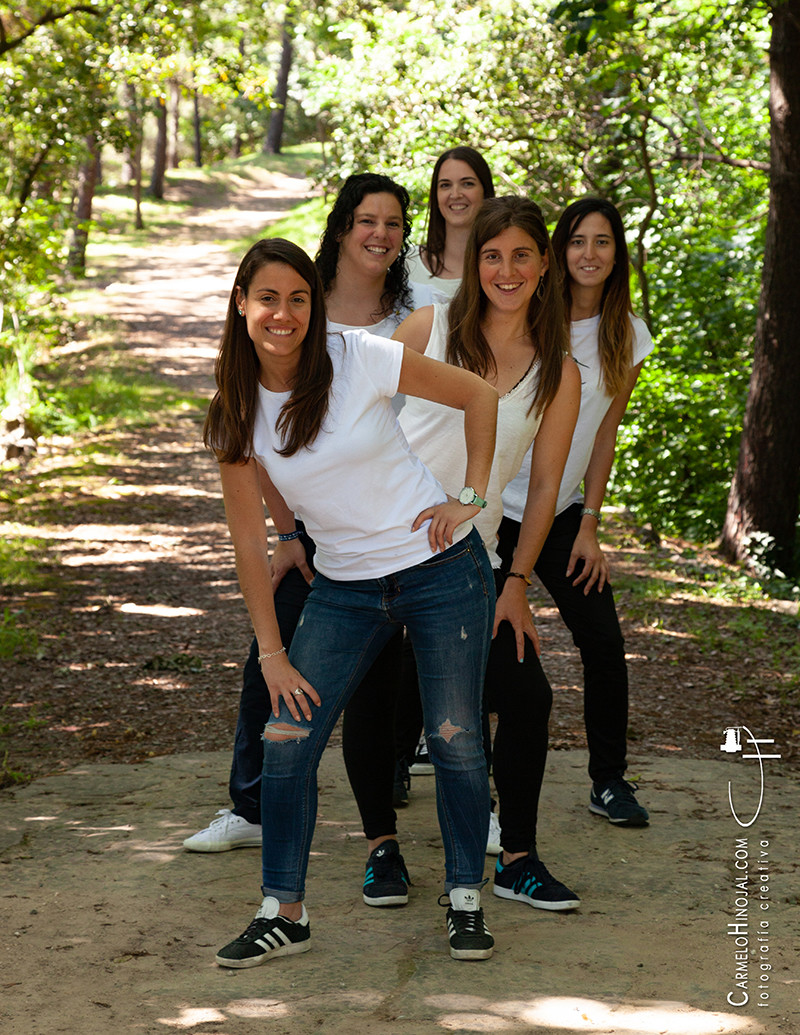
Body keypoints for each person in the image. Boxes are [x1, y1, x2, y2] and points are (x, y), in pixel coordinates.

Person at [205, 236, 501, 966]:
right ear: (241, 303)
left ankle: (466, 898)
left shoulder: (355, 355)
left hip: (442, 573)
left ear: (314, 303)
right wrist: (272, 654)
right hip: (343, 588)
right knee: (287, 736)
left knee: (457, 739)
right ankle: (285, 911)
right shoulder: (236, 410)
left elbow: (479, 395)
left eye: (298, 298)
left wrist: (469, 496)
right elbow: (250, 543)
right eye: (268, 298)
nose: (284, 313)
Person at [341, 196, 583, 913]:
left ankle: (517, 858)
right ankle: (381, 850)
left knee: (525, 696)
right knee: (377, 698)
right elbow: (364, 424)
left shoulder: (557, 372)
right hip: (380, 543)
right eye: (491, 255)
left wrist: (516, 583)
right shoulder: (432, 326)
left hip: (470, 559)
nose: (505, 270)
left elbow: (542, 488)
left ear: (543, 264)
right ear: (473, 264)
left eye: (520, 255)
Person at [183, 174, 417, 853]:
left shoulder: (416, 310)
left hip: (394, 512)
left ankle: (398, 809)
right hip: (312, 515)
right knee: (273, 649)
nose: (379, 233)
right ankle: (251, 804)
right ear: (341, 226)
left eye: (394, 223)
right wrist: (287, 529)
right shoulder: (295, 297)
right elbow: (261, 435)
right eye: (366, 219)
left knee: (392, 671)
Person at [500, 196, 655, 827]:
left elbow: (605, 434)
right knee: (484, 647)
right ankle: (428, 759)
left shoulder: (630, 335)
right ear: (559, 251)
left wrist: (590, 521)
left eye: (603, 242)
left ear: (617, 255)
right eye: (578, 241)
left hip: (562, 511)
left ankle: (609, 781)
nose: (590, 253)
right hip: (495, 511)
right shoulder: (534, 321)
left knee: (604, 642)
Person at [405, 145, 495, 302]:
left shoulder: (501, 270)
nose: (455, 194)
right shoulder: (407, 264)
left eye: (467, 184)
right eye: (445, 185)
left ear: (485, 191)